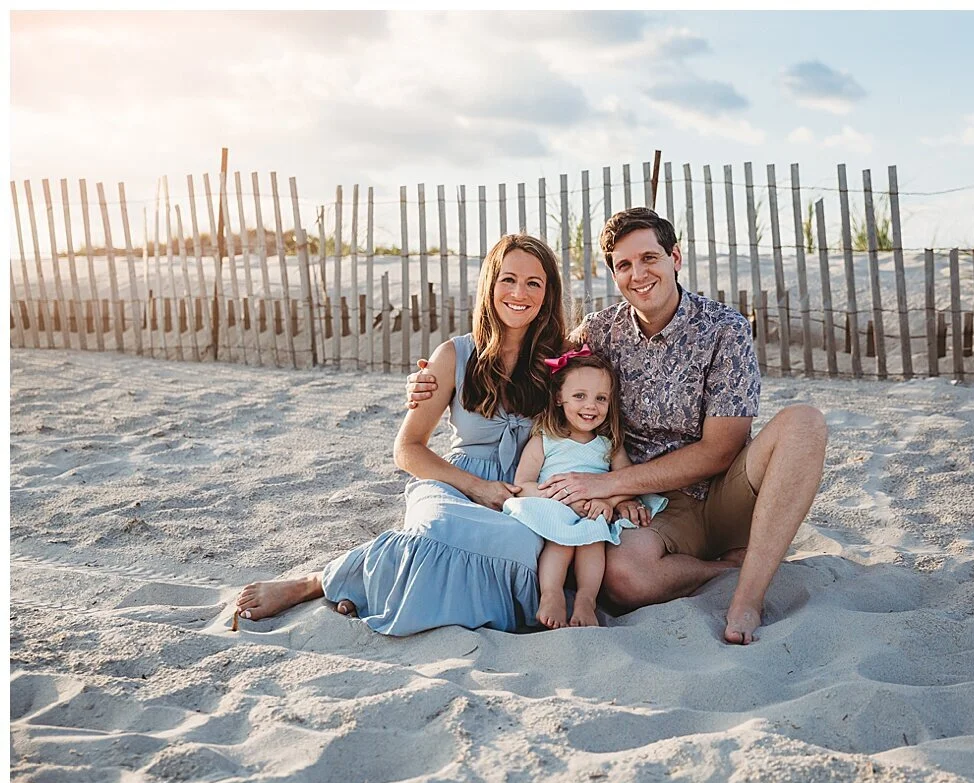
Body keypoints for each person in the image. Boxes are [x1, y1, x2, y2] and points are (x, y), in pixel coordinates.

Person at [407, 207, 827, 645]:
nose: (638, 274)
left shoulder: (725, 329)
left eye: (649, 258)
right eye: (623, 265)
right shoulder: (599, 332)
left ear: (675, 258)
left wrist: (604, 486)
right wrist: (431, 380)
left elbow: (720, 451)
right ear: (613, 274)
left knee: (805, 423)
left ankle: (748, 597)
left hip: (725, 491)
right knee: (623, 580)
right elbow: (526, 358)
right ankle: (727, 567)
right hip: (652, 507)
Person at [235, 233, 566, 635]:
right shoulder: (454, 354)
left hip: (525, 489)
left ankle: (372, 583)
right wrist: (477, 487)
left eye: (534, 283)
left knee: (515, 546)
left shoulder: (563, 360)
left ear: (548, 294)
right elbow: (407, 450)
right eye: (508, 280)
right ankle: (316, 582)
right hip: (456, 480)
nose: (519, 292)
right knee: (438, 529)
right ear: (490, 286)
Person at [502, 345, 667, 629]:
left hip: (594, 512)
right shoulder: (545, 440)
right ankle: (551, 594)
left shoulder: (608, 445)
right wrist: (553, 498)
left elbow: (628, 479)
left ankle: (586, 599)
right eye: (580, 396)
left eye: (600, 398)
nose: (591, 406)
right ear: (558, 398)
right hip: (555, 510)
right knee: (560, 541)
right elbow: (522, 484)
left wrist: (610, 502)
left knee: (593, 541)